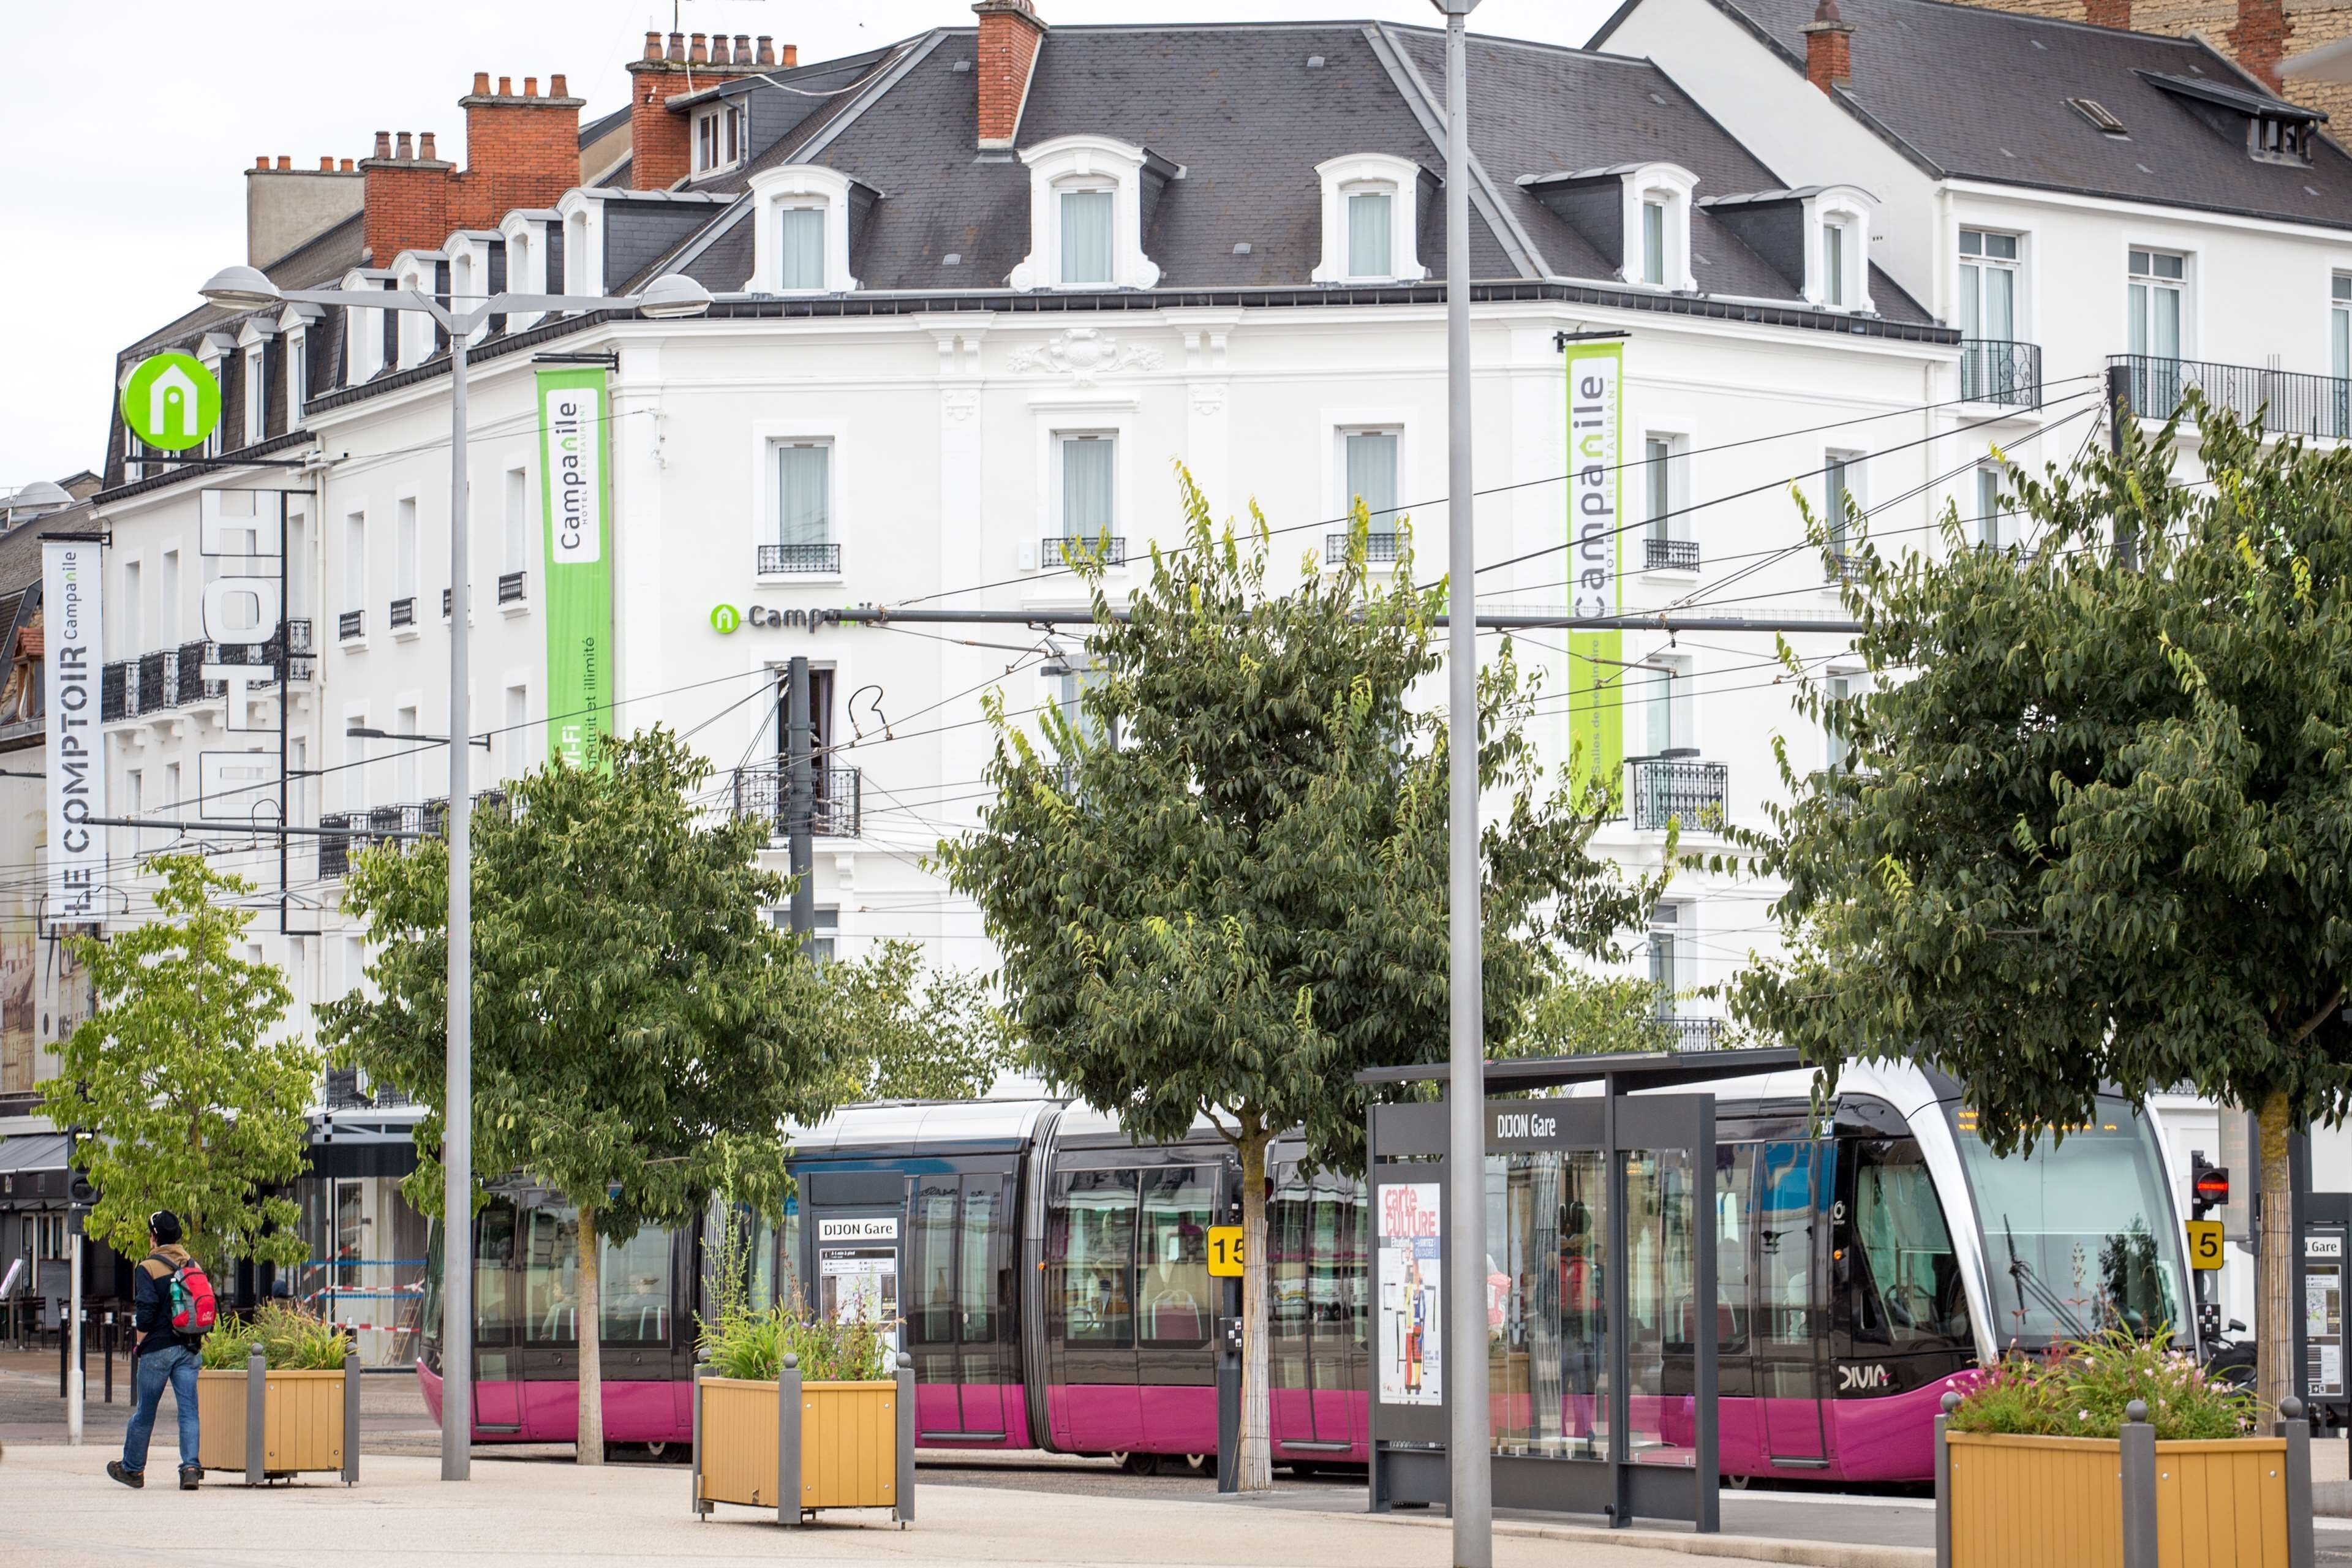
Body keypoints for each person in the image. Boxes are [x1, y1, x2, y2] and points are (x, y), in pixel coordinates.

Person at [108, 1210, 202, 1491]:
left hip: (159, 1349)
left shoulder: (148, 1267)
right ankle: (191, 1468)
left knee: (145, 1412)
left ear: (154, 1237)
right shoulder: (192, 1263)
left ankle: (133, 1470)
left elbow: (145, 1316)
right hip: (190, 1348)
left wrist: (140, 1342)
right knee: (189, 1411)